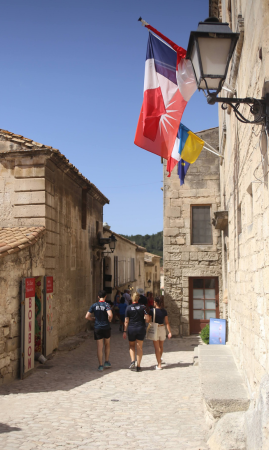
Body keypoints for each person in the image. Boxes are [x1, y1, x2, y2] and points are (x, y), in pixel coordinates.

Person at [85, 290, 113, 372]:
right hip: (106, 327)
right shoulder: (107, 305)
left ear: (98, 297)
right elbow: (110, 314)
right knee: (107, 344)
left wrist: (93, 319)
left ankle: (100, 365)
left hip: (97, 327)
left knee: (99, 347)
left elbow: (87, 316)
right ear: (106, 296)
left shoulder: (94, 305)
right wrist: (109, 319)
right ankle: (106, 361)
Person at [123, 292, 150, 372]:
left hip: (131, 328)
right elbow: (147, 319)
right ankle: (138, 366)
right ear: (138, 298)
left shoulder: (128, 308)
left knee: (131, 346)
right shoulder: (143, 307)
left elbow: (126, 321)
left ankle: (132, 361)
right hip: (140, 328)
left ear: (132, 298)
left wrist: (124, 331)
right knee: (139, 347)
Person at [149, 297, 172, 370]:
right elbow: (167, 322)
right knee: (161, 346)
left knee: (156, 347)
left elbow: (148, 320)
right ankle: (159, 359)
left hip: (155, 328)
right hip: (162, 328)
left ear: (155, 302)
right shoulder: (164, 311)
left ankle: (159, 364)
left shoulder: (152, 311)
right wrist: (169, 332)